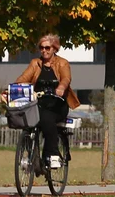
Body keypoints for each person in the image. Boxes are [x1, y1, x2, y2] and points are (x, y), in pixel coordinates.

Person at [14, 34, 80, 169]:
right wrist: (11, 90)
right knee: (27, 118)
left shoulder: (62, 63)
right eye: (41, 48)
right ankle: (30, 152)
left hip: (58, 103)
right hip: (39, 103)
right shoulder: (35, 63)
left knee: (46, 118)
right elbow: (23, 79)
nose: (44, 50)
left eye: (47, 48)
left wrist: (61, 88)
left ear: (54, 48)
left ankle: (54, 154)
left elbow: (66, 78)